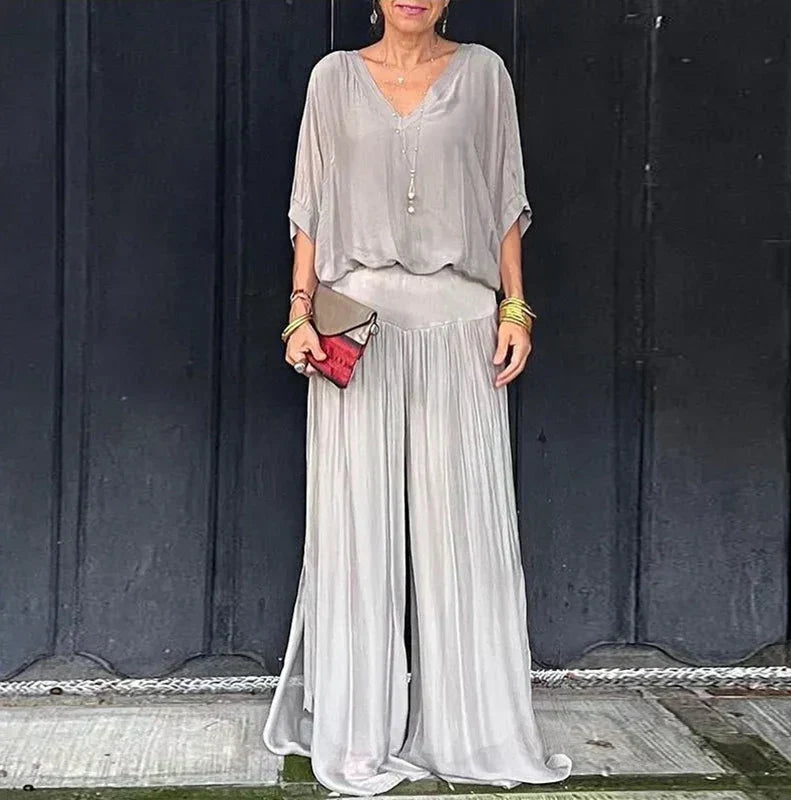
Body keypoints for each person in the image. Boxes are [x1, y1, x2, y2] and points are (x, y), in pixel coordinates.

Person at [262, 1, 573, 795]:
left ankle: (474, 734)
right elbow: (310, 207)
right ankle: (357, 734)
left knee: (463, 531)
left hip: (459, 320)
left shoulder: (484, 75)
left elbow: (505, 201)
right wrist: (299, 313)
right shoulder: (333, 79)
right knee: (354, 529)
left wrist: (515, 309)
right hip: (357, 325)